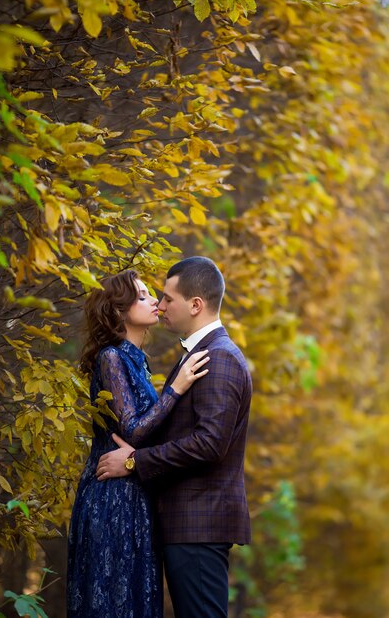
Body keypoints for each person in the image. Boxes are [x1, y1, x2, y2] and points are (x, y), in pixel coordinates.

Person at [96, 257, 252, 618]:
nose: (161, 305)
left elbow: (209, 444)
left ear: (195, 305)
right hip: (189, 522)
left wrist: (134, 461)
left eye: (167, 298)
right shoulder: (201, 354)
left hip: (199, 522)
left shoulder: (219, 358)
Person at [67, 269, 210, 618]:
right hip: (112, 494)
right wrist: (176, 389)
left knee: (136, 597)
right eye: (144, 295)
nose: (155, 303)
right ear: (119, 311)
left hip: (134, 492)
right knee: (114, 600)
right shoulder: (111, 357)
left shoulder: (137, 362)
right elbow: (132, 430)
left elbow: (144, 433)